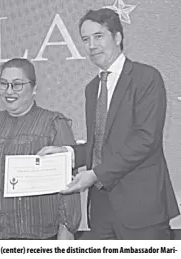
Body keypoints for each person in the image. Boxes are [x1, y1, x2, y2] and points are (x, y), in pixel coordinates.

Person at [37, 8, 180, 239]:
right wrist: (67, 153)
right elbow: (101, 146)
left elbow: (146, 140)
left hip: (142, 208)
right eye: (85, 39)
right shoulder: (92, 88)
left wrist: (95, 175)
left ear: (118, 37)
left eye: (98, 36)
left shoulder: (146, 77)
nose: (91, 45)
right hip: (102, 209)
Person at [0, 58, 81, 240]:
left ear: (34, 88)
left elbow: (69, 184)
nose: (9, 91)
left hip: (38, 236)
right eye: (3, 84)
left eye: (17, 85)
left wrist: (66, 233)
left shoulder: (53, 123)